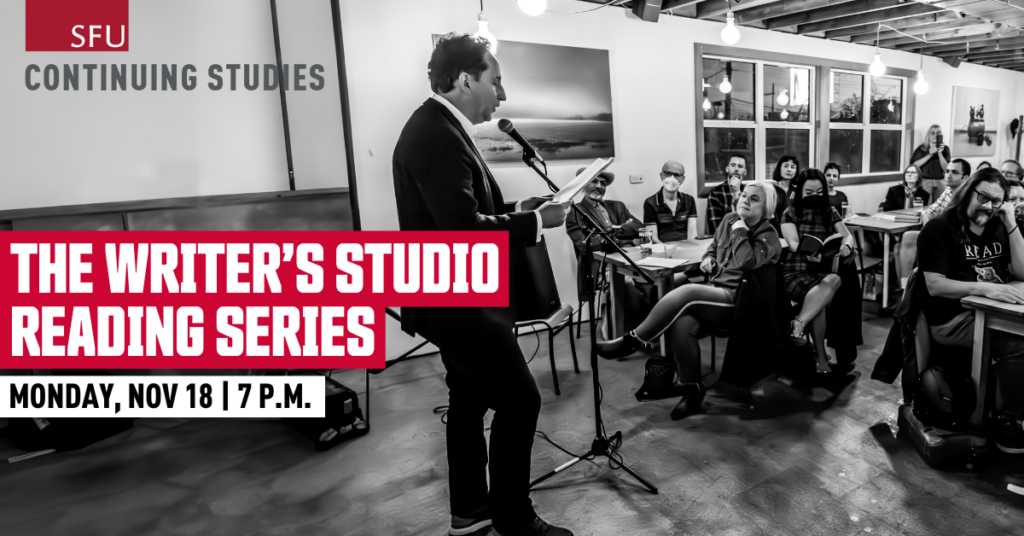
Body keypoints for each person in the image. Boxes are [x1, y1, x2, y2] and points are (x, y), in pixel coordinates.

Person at [392, 33, 573, 536]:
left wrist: (521, 210)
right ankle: (514, 521)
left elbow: (462, 210)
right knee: (520, 401)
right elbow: (463, 230)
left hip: (452, 298)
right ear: (466, 79)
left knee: (469, 401)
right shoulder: (434, 133)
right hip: (459, 303)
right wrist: (537, 226)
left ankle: (469, 511)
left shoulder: (439, 126)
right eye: (497, 80)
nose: (503, 94)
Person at [595, 182, 782, 419]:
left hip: (741, 303)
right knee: (682, 323)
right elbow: (713, 248)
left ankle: (632, 340)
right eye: (744, 195)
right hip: (715, 291)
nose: (745, 200)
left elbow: (746, 261)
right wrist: (707, 259)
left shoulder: (768, 235)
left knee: (687, 291)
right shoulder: (729, 219)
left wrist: (740, 230)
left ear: (766, 208)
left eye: (754, 199)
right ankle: (692, 388)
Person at [916, 168, 1024, 453]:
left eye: (997, 201)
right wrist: (984, 288)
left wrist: (1011, 223)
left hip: (994, 313)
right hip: (954, 319)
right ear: (967, 191)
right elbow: (935, 285)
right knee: (1017, 344)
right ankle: (1006, 418)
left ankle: (1012, 405)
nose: (989, 206)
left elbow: (1022, 271)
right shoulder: (939, 228)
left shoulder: (998, 225)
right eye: (983, 197)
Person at [780, 169, 857, 374]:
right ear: (799, 190)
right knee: (819, 303)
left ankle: (798, 323)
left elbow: (848, 236)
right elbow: (793, 243)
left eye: (819, 191)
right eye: (809, 192)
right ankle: (820, 357)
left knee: (834, 279)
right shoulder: (790, 213)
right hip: (795, 270)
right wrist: (809, 251)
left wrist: (847, 246)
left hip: (819, 272)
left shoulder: (830, 211)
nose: (815, 196)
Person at [896, 159, 972, 289]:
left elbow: (958, 221)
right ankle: (905, 287)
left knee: (908, 237)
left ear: (965, 177)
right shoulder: (948, 189)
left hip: (958, 237)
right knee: (899, 244)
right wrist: (927, 226)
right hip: (938, 231)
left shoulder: (968, 195)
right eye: (947, 171)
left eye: (954, 172)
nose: (948, 175)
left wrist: (936, 220)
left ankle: (907, 289)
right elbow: (929, 212)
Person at [565, 168, 643, 253]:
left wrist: (614, 231)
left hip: (630, 255)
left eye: (603, 183)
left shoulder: (617, 206)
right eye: (594, 181)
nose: (599, 186)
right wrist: (625, 237)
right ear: (584, 185)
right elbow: (585, 244)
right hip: (601, 262)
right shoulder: (575, 211)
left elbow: (640, 228)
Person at [643, 160, 697, 243]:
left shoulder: (689, 200)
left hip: (686, 247)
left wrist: (689, 250)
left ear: (682, 179)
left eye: (677, 175)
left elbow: (692, 233)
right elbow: (653, 238)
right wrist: (668, 251)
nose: (672, 178)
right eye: (668, 173)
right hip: (662, 249)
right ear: (661, 176)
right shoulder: (650, 202)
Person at [705, 154, 747, 235]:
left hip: (746, 239)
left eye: (740, 166)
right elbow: (715, 229)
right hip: (725, 242)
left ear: (745, 172)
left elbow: (751, 223)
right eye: (733, 165)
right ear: (727, 169)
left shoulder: (749, 192)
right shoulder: (715, 193)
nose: (736, 169)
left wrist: (737, 193)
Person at [910, 124, 951, 202]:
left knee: (940, 206)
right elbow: (914, 165)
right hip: (925, 181)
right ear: (928, 135)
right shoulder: (922, 148)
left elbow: (946, 168)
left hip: (940, 181)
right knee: (926, 205)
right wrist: (930, 154)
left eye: (938, 133)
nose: (935, 135)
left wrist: (939, 153)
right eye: (932, 133)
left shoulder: (945, 149)